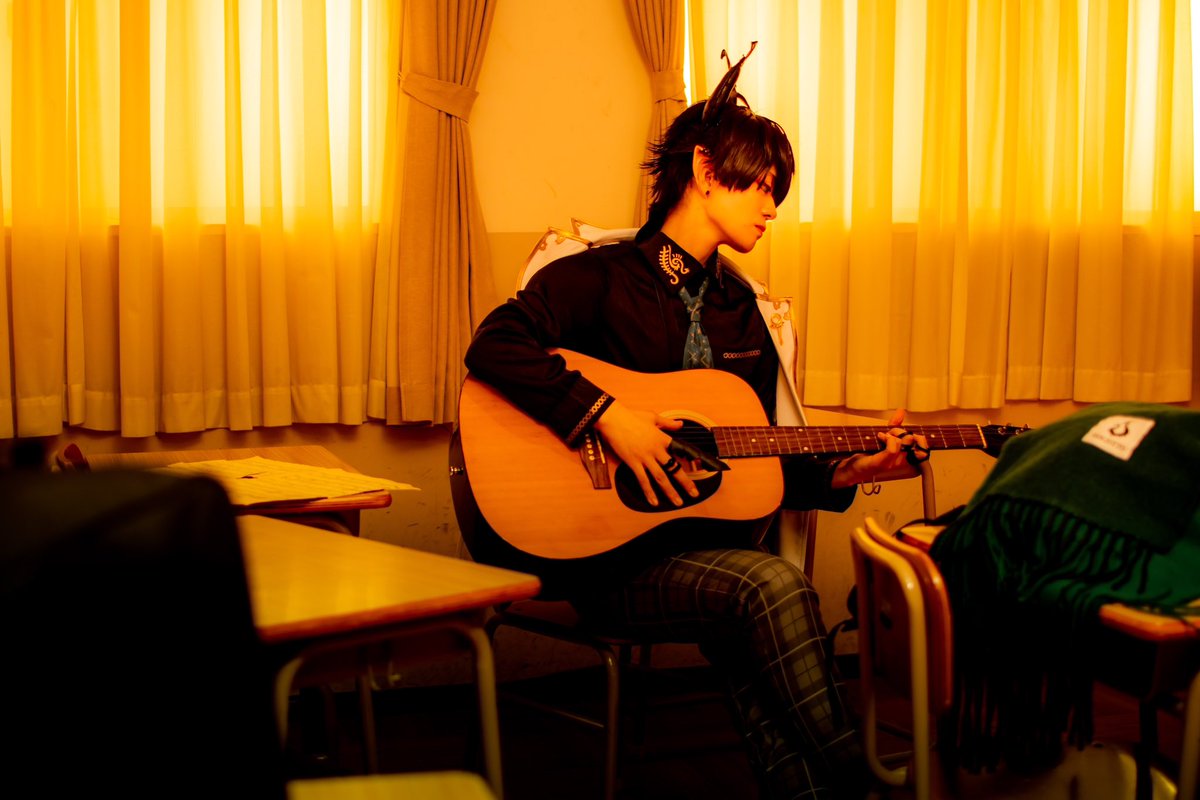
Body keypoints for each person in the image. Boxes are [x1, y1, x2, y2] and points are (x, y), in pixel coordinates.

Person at [462, 45, 928, 799]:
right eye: (763, 187)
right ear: (706, 171)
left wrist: (853, 469)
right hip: (597, 558)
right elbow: (494, 347)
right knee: (767, 588)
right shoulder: (594, 278)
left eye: (778, 192)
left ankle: (833, 791)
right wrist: (608, 417)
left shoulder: (744, 313)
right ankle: (863, 777)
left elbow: (758, 463)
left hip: (703, 562)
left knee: (753, 609)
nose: (773, 209)